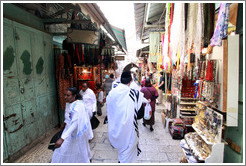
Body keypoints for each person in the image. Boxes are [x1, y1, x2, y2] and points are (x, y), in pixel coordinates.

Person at [106, 71, 150, 163]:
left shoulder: (112, 93)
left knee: (122, 152)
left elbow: (110, 109)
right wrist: (147, 101)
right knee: (127, 152)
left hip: (115, 129)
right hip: (128, 130)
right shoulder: (133, 93)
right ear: (130, 81)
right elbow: (142, 101)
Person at [51, 87, 93, 163]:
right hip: (68, 130)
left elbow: (75, 123)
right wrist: (64, 124)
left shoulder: (78, 106)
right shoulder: (69, 103)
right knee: (66, 149)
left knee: (75, 148)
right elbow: (68, 115)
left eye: (68, 95)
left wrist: (62, 138)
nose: (65, 97)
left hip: (75, 132)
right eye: (65, 95)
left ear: (74, 96)